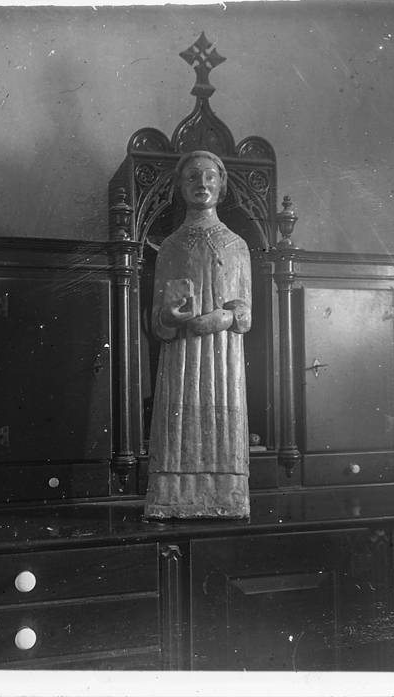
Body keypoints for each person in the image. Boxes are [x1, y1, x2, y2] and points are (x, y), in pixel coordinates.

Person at [145, 150, 251, 519]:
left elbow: (246, 313)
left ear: (222, 185)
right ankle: (172, 497)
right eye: (192, 177)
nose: (202, 183)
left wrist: (225, 317)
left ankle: (228, 497)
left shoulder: (237, 245)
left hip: (223, 357)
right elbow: (157, 321)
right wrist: (169, 316)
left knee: (224, 422)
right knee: (178, 423)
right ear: (180, 187)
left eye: (209, 176)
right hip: (182, 358)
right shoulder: (170, 247)